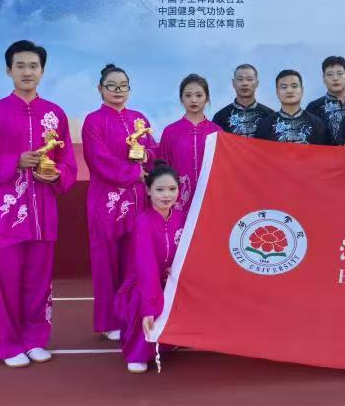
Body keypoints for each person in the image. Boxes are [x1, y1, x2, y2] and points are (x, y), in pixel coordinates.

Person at [0, 40, 78, 368]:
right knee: (7, 280)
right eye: (20, 66)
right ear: (8, 70)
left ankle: (35, 339)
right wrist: (15, 161)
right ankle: (9, 344)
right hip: (7, 213)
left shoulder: (55, 114)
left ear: (42, 71)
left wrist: (54, 175)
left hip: (44, 212)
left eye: (33, 66)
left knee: (40, 280)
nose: (27, 72)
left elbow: (68, 162)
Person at [81, 63, 157, 342]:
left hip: (138, 201)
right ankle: (108, 321)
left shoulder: (139, 119)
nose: (118, 90)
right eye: (111, 85)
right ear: (100, 89)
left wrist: (146, 156)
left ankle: (132, 315)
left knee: (135, 261)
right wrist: (134, 172)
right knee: (106, 263)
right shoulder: (93, 121)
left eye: (123, 85)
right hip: (106, 202)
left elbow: (154, 149)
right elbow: (98, 159)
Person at [116, 161, 187, 374]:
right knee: (146, 299)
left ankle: (169, 340)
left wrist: (176, 270)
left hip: (169, 279)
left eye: (172, 189)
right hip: (143, 282)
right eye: (160, 189)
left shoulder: (182, 218)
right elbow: (146, 268)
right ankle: (137, 353)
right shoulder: (142, 223)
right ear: (148, 191)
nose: (167, 195)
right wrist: (148, 308)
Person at [156, 74, 220, 212]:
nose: (193, 100)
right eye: (188, 95)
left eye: (199, 95)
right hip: (177, 202)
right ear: (181, 99)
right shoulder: (170, 131)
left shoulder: (217, 132)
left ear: (207, 98)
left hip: (211, 200)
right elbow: (162, 169)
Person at [255, 70, 328, 145]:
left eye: (294, 86)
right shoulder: (265, 124)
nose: (289, 91)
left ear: (302, 90)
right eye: (284, 87)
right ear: (277, 92)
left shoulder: (316, 123)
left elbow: (322, 151)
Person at [305, 56, 345, 145]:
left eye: (340, 73)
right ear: (323, 78)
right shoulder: (314, 107)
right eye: (330, 74)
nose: (335, 78)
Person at [211, 64, 275, 138]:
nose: (245, 83)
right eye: (240, 79)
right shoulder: (220, 117)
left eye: (249, 79)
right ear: (233, 83)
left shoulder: (270, 115)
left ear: (257, 83)